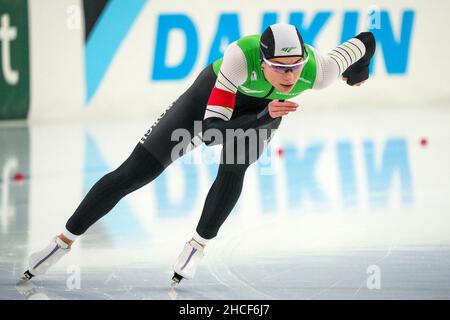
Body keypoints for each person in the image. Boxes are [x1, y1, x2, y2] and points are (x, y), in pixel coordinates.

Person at [20, 23, 376, 285]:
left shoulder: (321, 72)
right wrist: (265, 115)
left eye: (295, 67)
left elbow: (366, 41)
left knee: (235, 168)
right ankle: (62, 242)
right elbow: (211, 135)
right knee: (135, 172)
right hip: (213, 102)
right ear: (263, 61)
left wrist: (360, 69)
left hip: (266, 109)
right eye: (280, 68)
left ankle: (197, 245)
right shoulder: (239, 58)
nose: (289, 75)